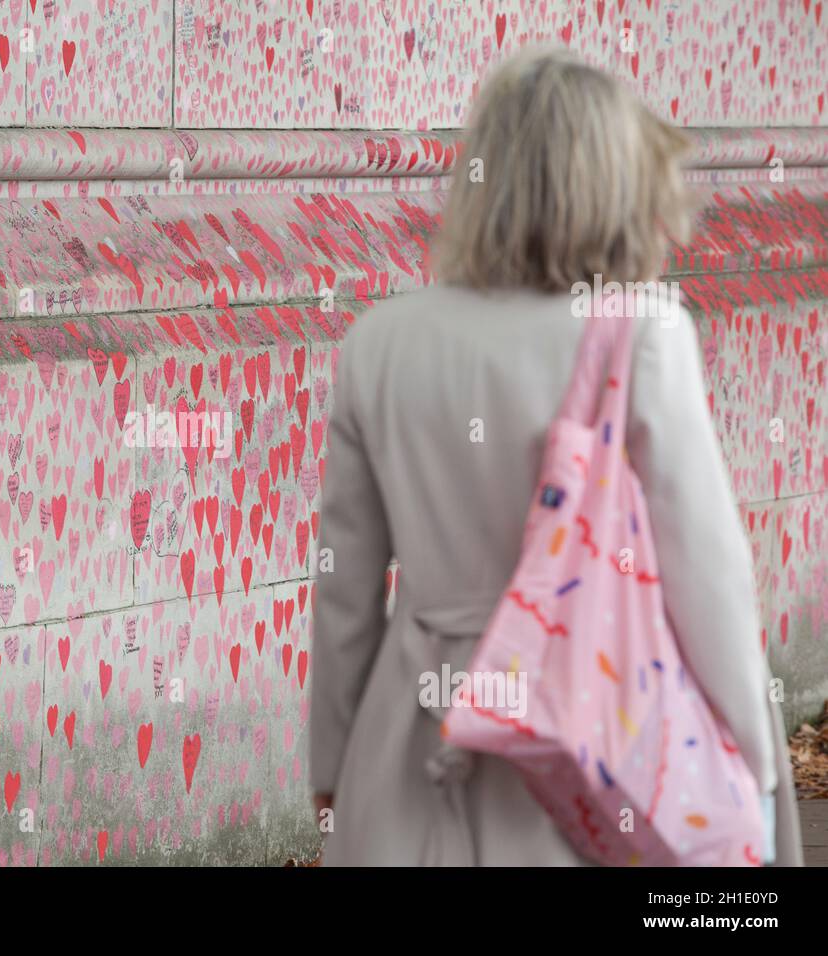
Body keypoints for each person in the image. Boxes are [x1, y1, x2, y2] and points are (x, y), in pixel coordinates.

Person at [308, 47, 802, 866]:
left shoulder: (379, 341)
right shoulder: (641, 334)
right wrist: (754, 761)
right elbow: (707, 576)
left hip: (408, 752)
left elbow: (344, 592)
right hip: (587, 746)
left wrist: (332, 766)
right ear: (615, 184)